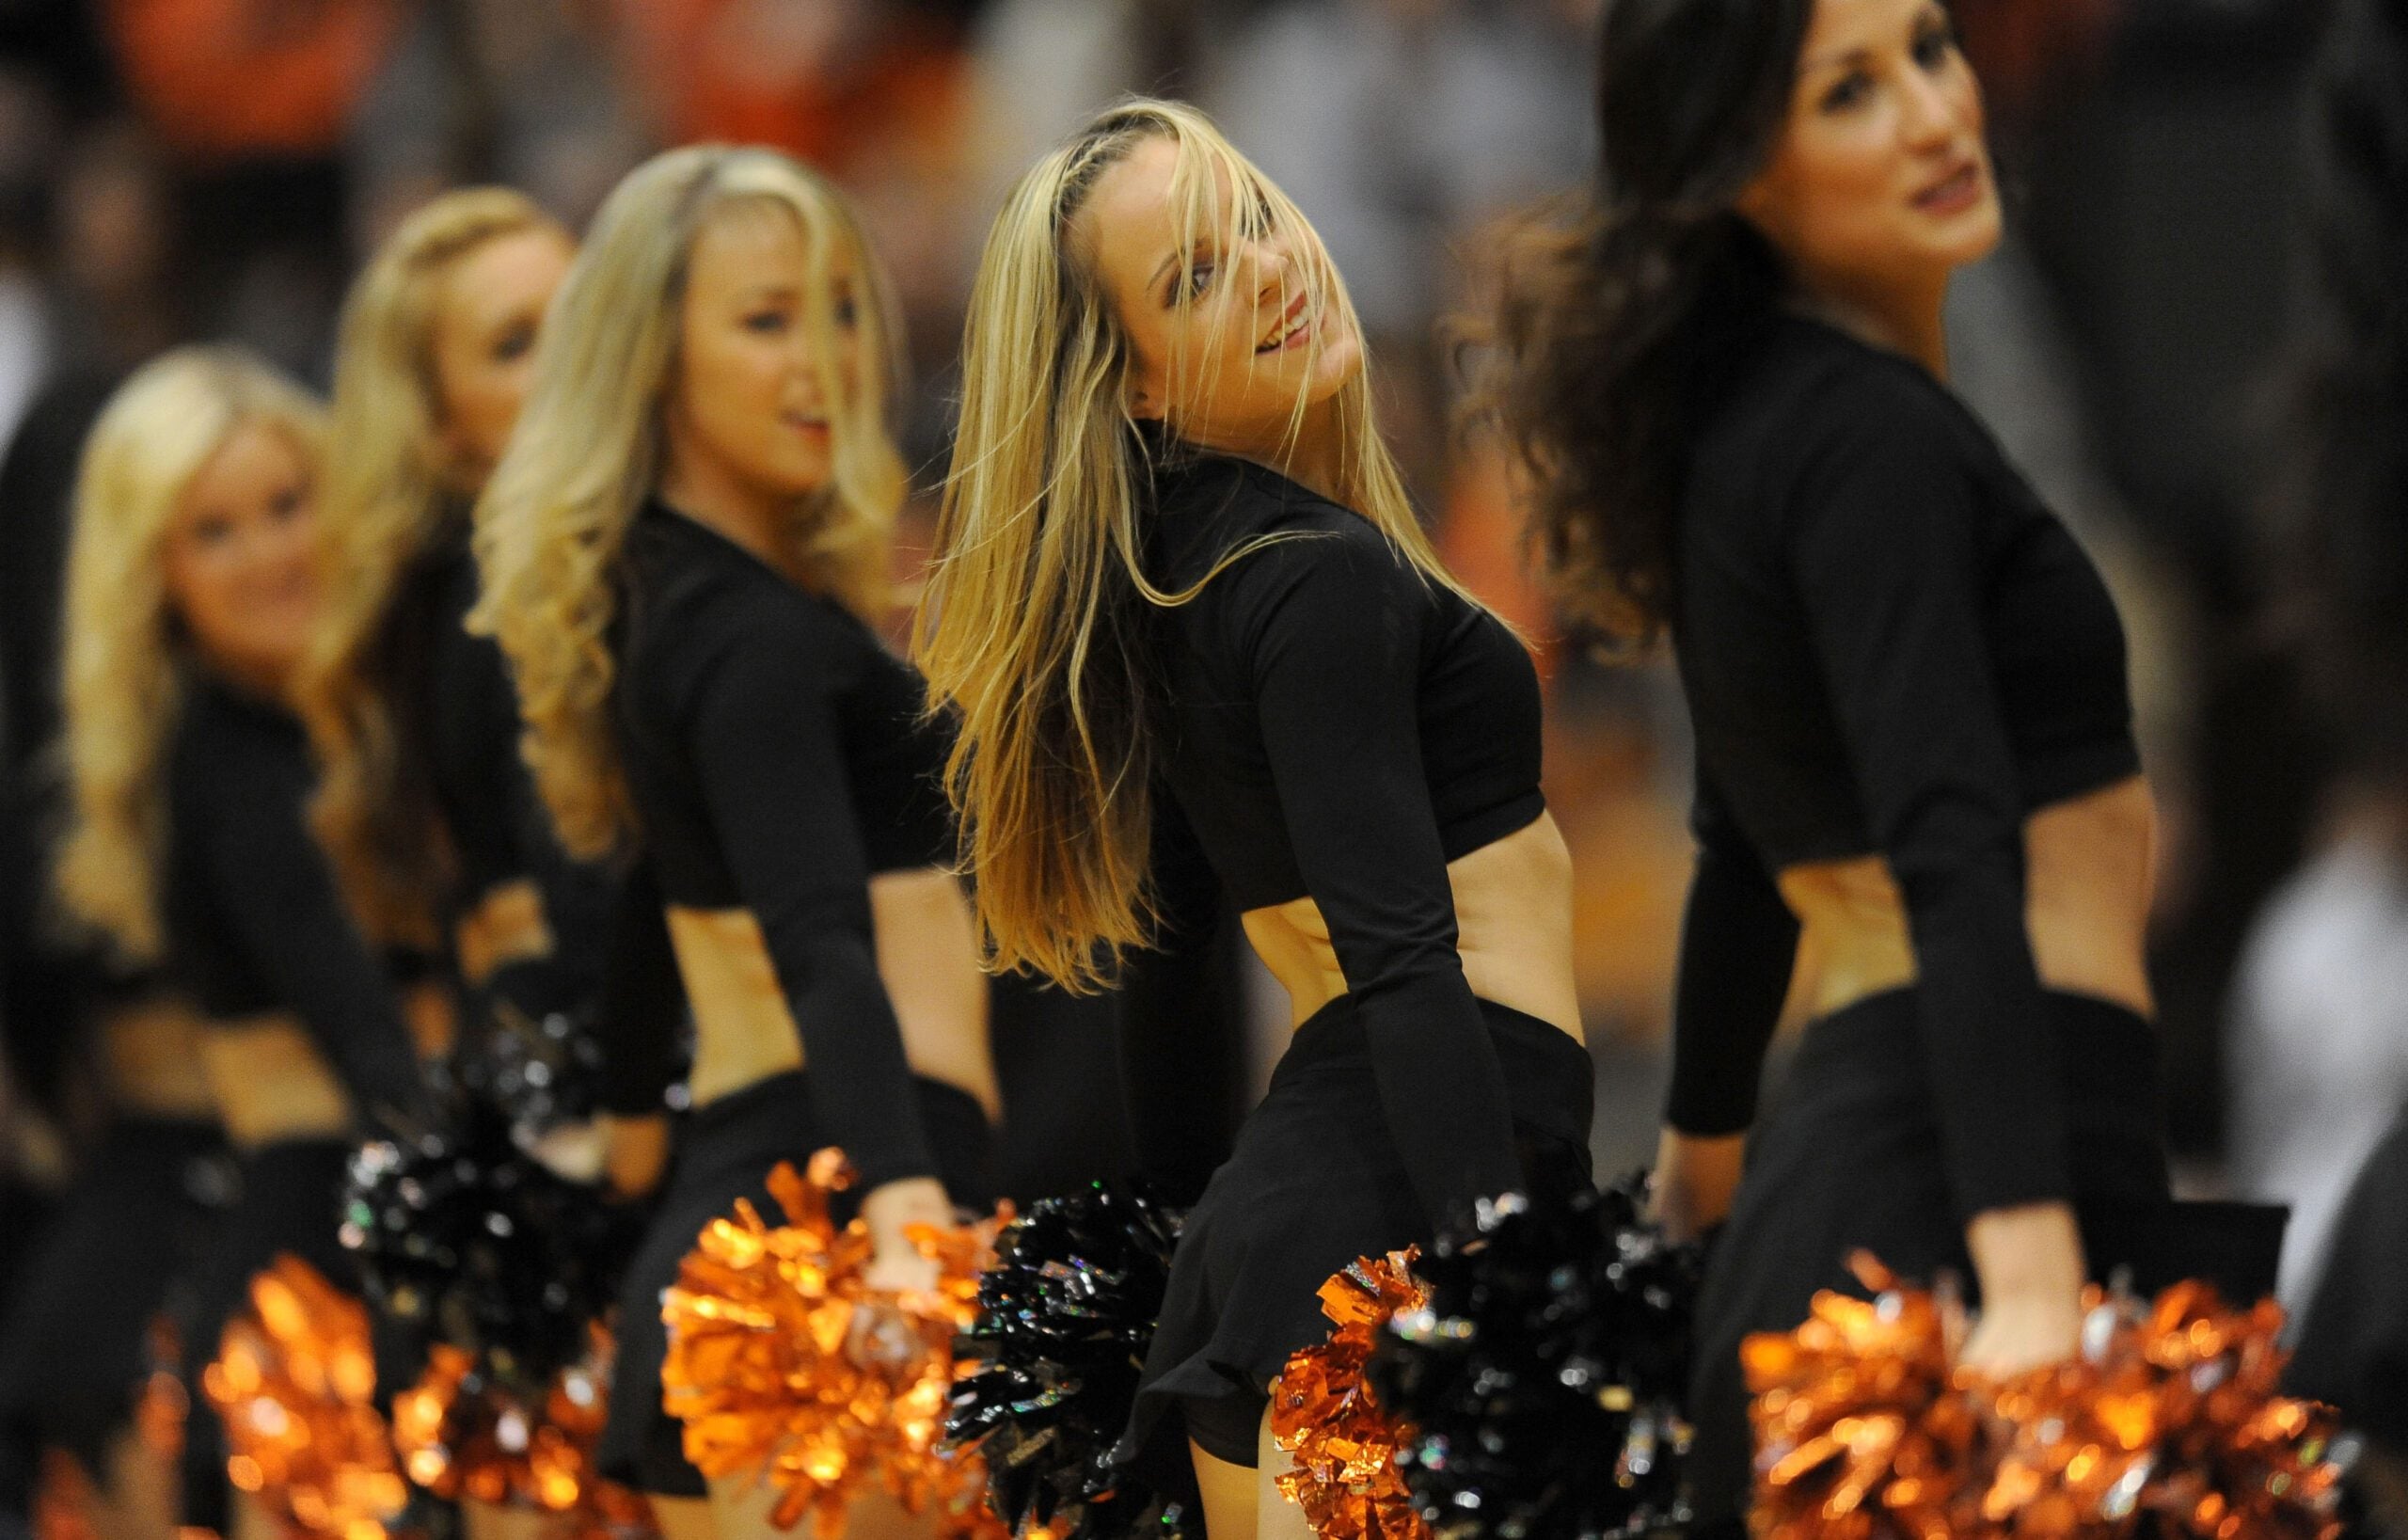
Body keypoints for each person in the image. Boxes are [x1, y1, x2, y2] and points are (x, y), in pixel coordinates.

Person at [1466, 0, 2298, 1528]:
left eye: (1928, 45)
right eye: (1852, 92)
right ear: (1738, 175)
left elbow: (1743, 834)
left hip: (1881, 1178)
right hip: (1963, 1200)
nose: (1931, 111)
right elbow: (1945, 835)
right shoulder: (1870, 443)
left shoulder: (1765, 427)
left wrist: (1702, 1166)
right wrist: (2033, 1268)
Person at [914, 98, 1593, 1540]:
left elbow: (1165, 980)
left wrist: (1179, 1250)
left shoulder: (1174, 585)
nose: (1277, 267)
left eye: (1255, 223)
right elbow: (1411, 964)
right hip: (1394, 1222)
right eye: (1196, 279)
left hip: (1285, 1231)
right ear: (1137, 388)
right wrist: (1507, 1286)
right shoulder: (1313, 576)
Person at [471, 145, 996, 1540]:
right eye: (766, 321)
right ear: (652, 363)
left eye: (839, 311)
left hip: (749, 1218)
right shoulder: (751, 641)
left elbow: (659, 890)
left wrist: (637, 1134)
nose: (822, 360)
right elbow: (820, 938)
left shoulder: (691, 608)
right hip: (823, 1236)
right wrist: (902, 1210)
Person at [49, 346, 432, 1532]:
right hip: (316, 1304)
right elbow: (378, 1059)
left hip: (357, 1244)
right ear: (153, 574)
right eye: (213, 531)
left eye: (286, 502)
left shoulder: (357, 722)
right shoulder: (226, 770)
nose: (270, 552)